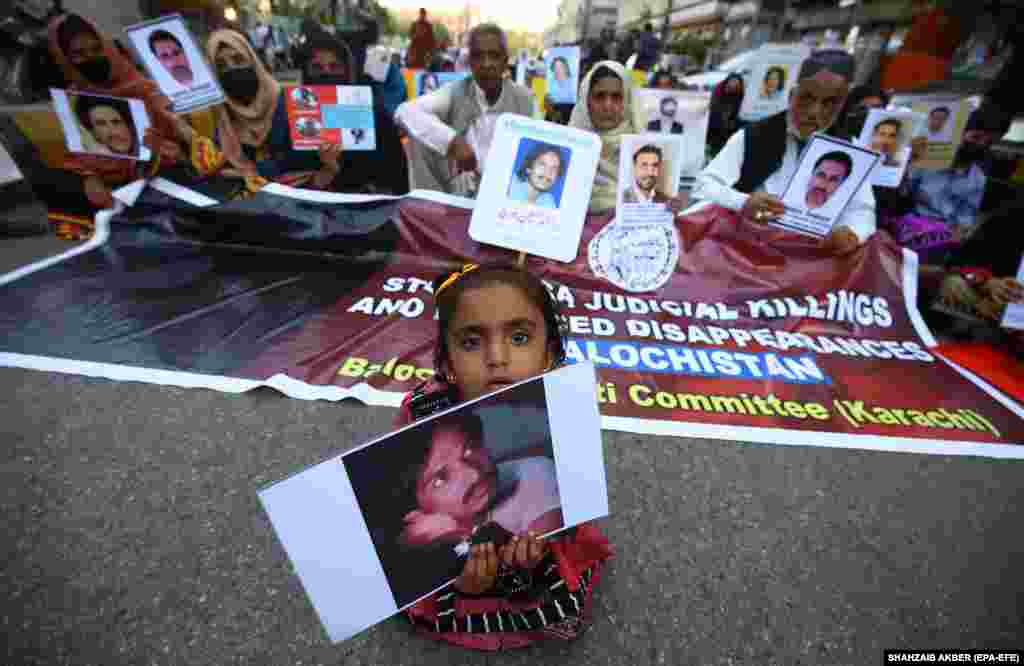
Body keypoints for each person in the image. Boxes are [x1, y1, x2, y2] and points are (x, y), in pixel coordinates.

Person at [394, 262, 613, 651]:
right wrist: (455, 571)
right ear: (447, 364)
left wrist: (535, 556)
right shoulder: (422, 411)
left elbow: (573, 504)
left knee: (546, 575)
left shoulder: (566, 405)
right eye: (472, 342)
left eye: (519, 337)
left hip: (533, 537)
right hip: (458, 545)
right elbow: (402, 505)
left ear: (549, 352)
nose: (497, 357)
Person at [694, 49, 876, 255]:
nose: (814, 112)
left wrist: (852, 233)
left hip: (812, 256)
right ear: (791, 96)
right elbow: (704, 185)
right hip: (746, 248)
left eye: (829, 103)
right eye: (806, 98)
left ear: (842, 105)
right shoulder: (754, 135)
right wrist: (744, 202)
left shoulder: (851, 148)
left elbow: (862, 210)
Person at [46, 13, 184, 215]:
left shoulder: (147, 90)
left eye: (96, 49)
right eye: (78, 54)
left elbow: (183, 146)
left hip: (162, 185)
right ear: (64, 59)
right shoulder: (71, 101)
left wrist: (164, 151)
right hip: (107, 201)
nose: (91, 58)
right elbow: (74, 157)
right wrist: (87, 178)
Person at [191, 29, 342, 190]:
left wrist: (329, 165)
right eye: (221, 66)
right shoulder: (217, 118)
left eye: (238, 59)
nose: (231, 69)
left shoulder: (292, 103)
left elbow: (313, 168)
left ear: (253, 60)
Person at [396, 24, 534, 197]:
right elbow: (405, 111)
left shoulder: (523, 98)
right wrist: (453, 142)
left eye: (494, 56)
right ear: (469, 63)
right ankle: (429, 209)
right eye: (478, 56)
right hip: (462, 191)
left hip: (505, 193)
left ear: (505, 61)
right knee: (419, 135)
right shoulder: (456, 91)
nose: (487, 64)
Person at [399, 413, 563, 550]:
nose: (474, 474)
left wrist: (464, 534)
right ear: (415, 514)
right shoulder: (421, 544)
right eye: (440, 479)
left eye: (469, 449)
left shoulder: (534, 474)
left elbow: (542, 557)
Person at [569, 60, 687, 215]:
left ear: (628, 102)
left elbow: (659, 204)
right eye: (599, 96)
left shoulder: (648, 152)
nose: (608, 105)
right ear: (586, 101)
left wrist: (668, 207)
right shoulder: (569, 149)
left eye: (616, 97)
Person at [299, 29, 410, 194]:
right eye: (317, 67)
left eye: (334, 66)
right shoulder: (295, 119)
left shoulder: (376, 117)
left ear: (348, 70)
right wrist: (326, 171)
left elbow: (396, 179)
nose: (326, 73)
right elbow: (288, 187)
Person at [506, 143, 564, 208]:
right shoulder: (509, 184)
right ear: (528, 168)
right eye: (542, 165)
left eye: (554, 169)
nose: (548, 172)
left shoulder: (548, 202)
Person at [707, 73, 745, 159]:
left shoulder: (740, 96)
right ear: (727, 81)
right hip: (714, 125)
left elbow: (738, 113)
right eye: (732, 82)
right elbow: (713, 107)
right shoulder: (718, 91)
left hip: (728, 128)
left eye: (736, 83)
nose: (733, 85)